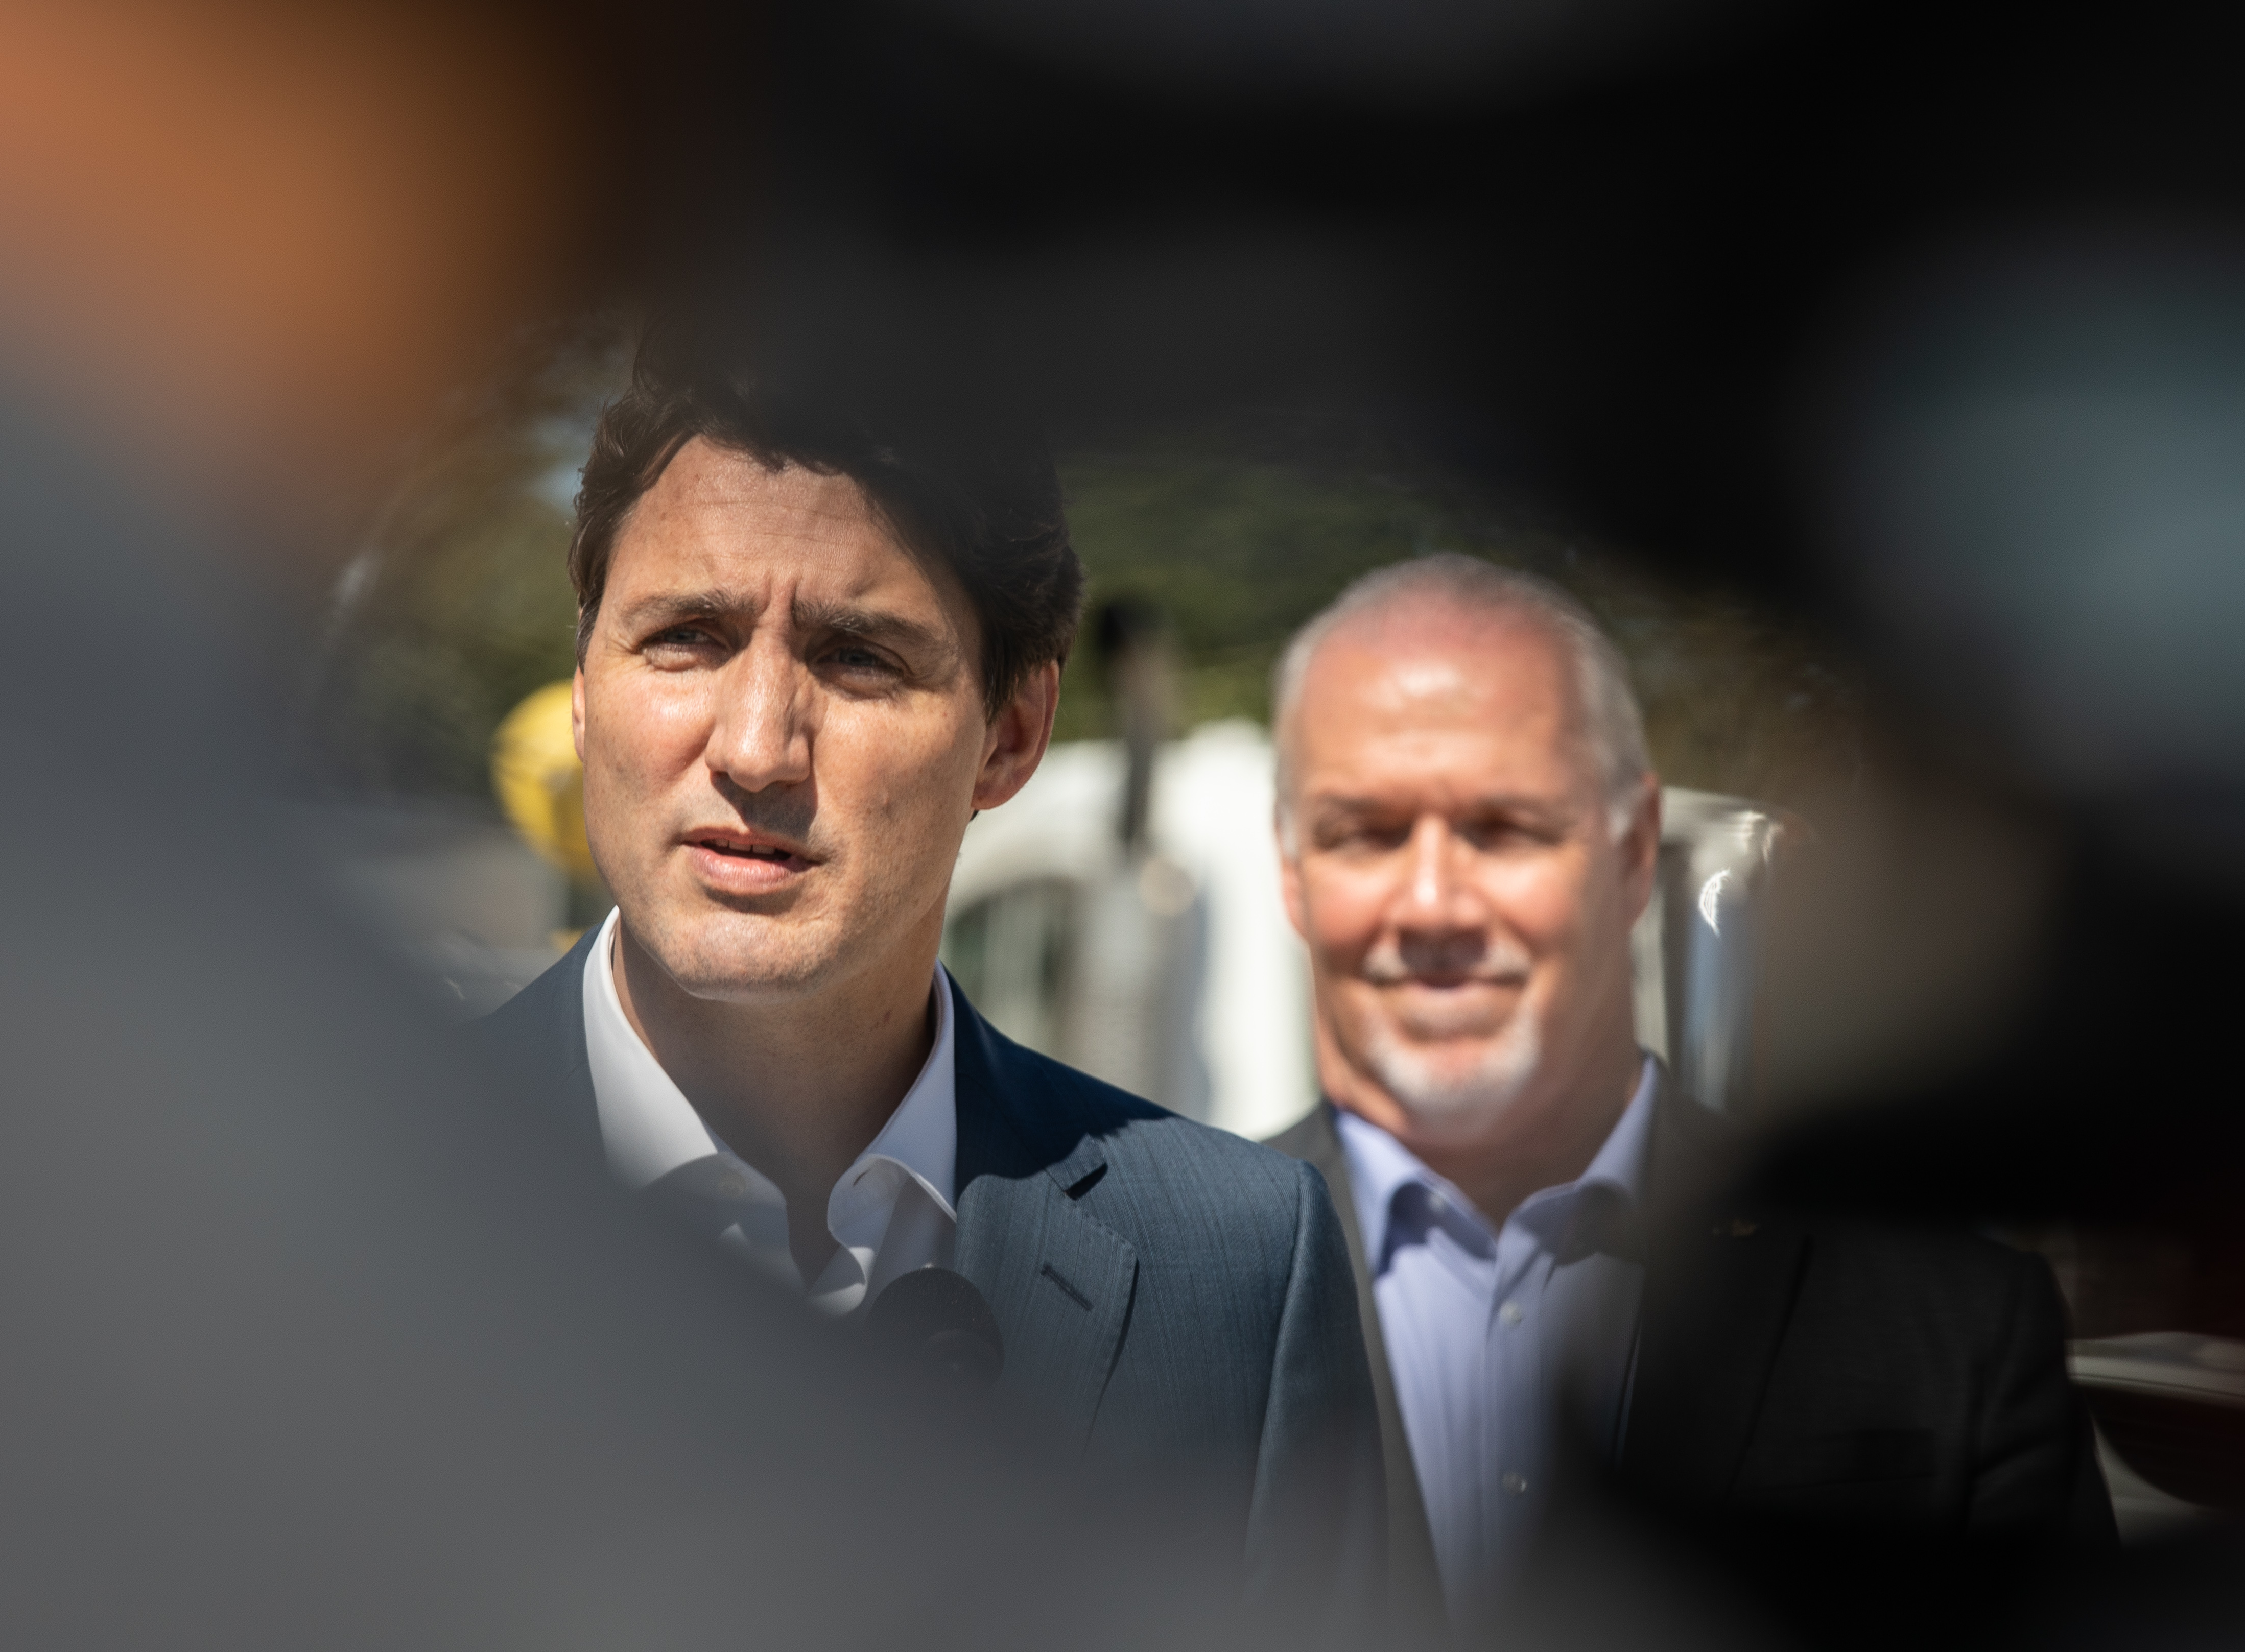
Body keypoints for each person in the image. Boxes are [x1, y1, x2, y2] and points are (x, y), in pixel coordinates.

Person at [480, 325, 1382, 1607]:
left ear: (1010, 737)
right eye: (684, 636)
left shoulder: (1240, 1269)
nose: (755, 746)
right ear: (582, 682)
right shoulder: (295, 1202)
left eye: (857, 657)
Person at [1262, 554, 2113, 1634]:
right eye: (1366, 833)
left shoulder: (1954, 1321)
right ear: (1290, 872)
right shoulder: (1134, 1294)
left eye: (1505, 826)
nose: (1433, 902)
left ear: (1628, 853)